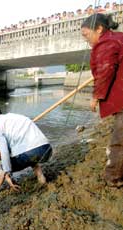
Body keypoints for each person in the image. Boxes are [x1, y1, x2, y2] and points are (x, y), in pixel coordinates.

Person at [81, 14, 123, 187]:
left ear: (99, 29)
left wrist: (96, 96)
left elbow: (105, 70)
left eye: (86, 34)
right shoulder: (118, 38)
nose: (86, 39)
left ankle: (114, 178)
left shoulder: (107, 42)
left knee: (119, 141)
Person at [0, 104, 52, 197]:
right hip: (46, 149)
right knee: (30, 158)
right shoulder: (13, 117)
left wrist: (7, 172)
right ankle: (42, 179)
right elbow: (12, 146)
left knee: (3, 168)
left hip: (32, 152)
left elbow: (5, 152)